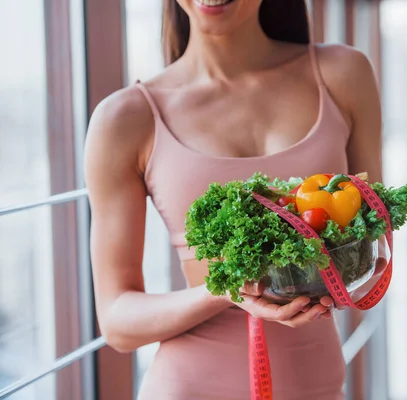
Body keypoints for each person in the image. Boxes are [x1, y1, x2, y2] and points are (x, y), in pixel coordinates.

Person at [84, 0, 382, 398]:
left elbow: (374, 236)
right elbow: (118, 322)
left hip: (318, 386)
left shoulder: (342, 75)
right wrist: (229, 288)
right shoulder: (125, 118)